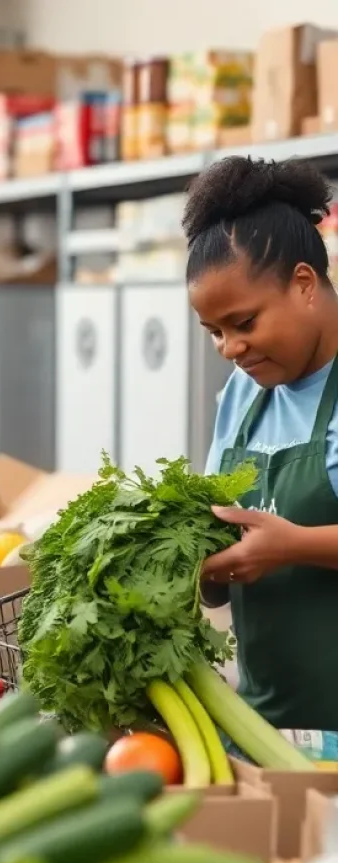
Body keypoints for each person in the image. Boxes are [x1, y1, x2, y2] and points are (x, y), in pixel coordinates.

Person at [189, 156, 338, 731]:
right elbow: (222, 565)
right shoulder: (242, 396)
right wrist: (200, 567)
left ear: (303, 284)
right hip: (266, 729)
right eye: (216, 333)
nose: (230, 348)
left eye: (244, 322)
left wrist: (293, 545)